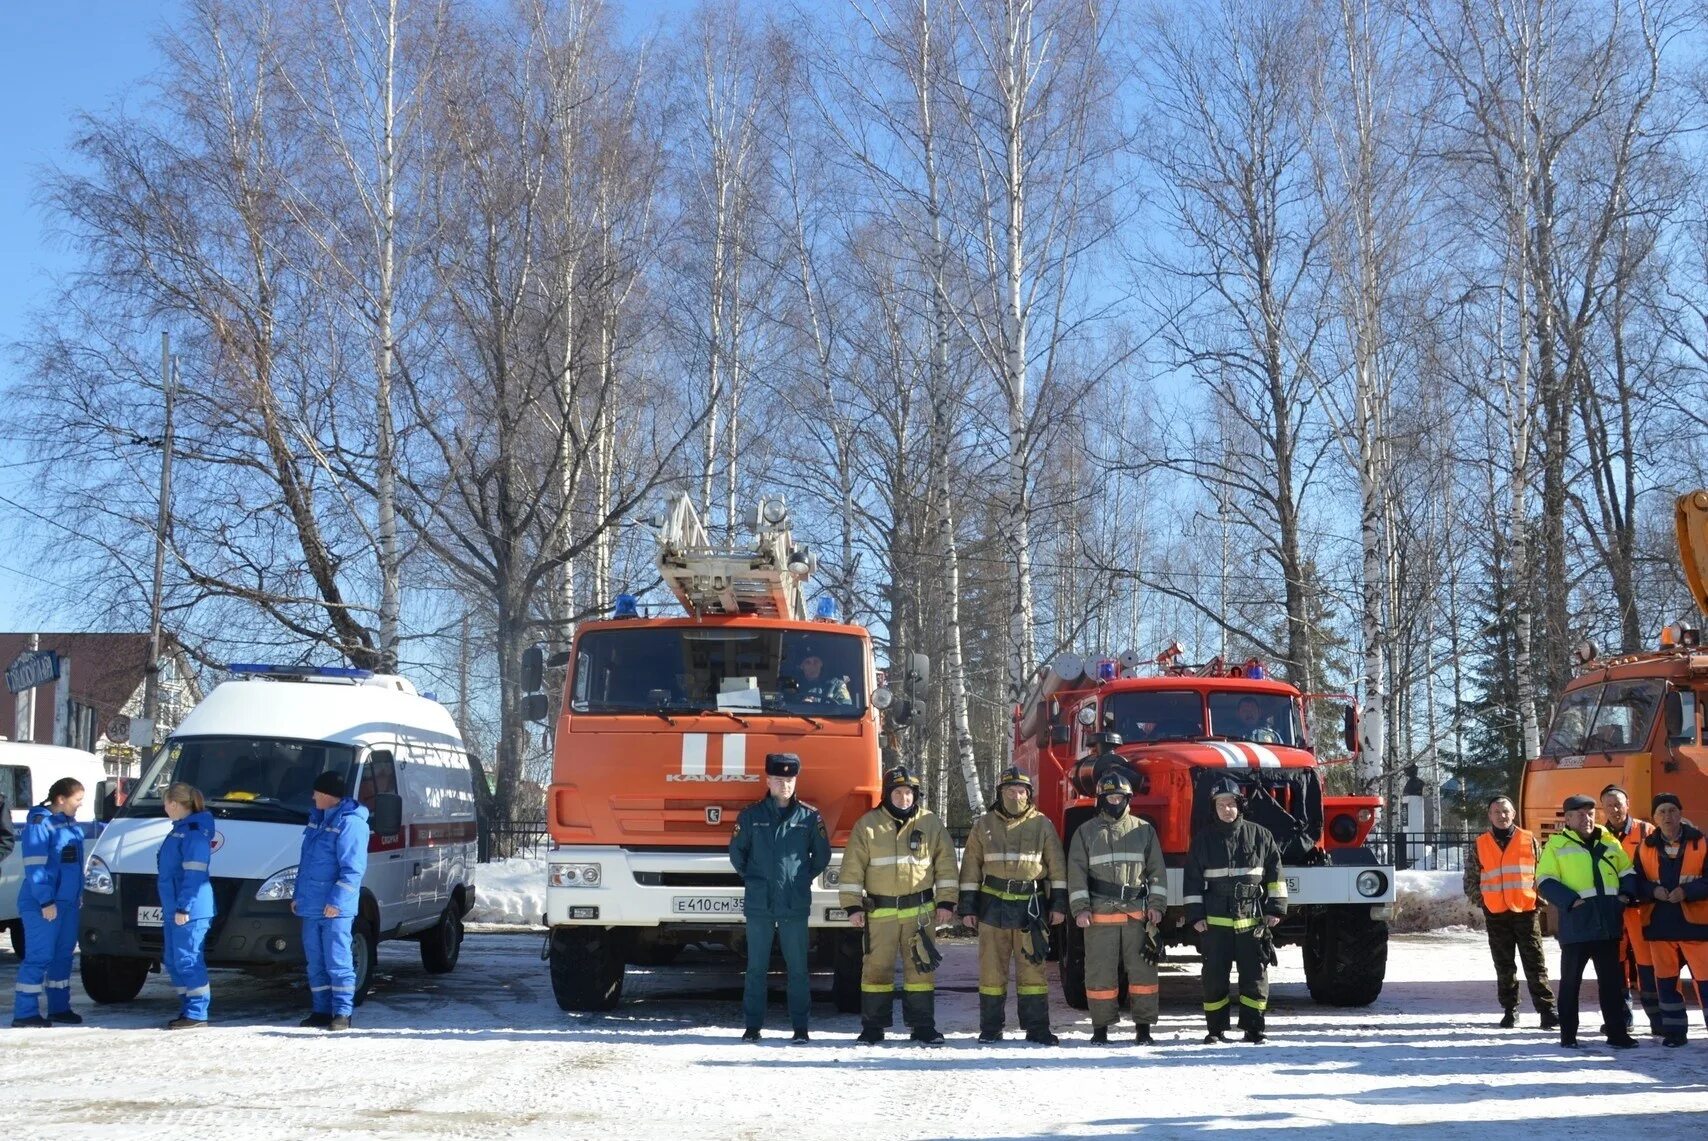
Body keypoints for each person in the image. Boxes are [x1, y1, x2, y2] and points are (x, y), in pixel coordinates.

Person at [840, 764, 958, 1045]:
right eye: (898, 793)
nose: (904, 798)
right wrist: (852, 906)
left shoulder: (931, 823)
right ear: (887, 794)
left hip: (920, 914)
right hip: (879, 914)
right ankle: (873, 1028)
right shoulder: (867, 825)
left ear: (915, 795)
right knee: (875, 970)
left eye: (909, 793)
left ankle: (922, 1027)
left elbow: (946, 866)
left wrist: (947, 902)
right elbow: (852, 869)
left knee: (921, 971)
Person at [958, 765, 1068, 1045]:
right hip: (992, 907)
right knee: (991, 971)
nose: (1016, 796)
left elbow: (1057, 868)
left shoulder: (1042, 824)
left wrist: (1057, 905)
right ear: (1000, 793)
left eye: (1021, 791)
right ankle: (991, 1029)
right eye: (1010, 791)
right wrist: (968, 907)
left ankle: (1037, 1029)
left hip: (1031, 910)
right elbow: (971, 867)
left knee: (1033, 970)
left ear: (1029, 794)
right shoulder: (983, 825)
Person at [730, 753, 830, 1043]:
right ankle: (752, 1027)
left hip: (793, 903)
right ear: (767, 781)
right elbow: (737, 854)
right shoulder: (751, 817)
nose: (784, 785)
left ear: (795, 781)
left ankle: (800, 1028)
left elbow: (821, 856)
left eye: (789, 780)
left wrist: (800, 879)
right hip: (760, 904)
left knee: (798, 969)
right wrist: (753, 879)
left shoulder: (810, 817)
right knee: (756, 968)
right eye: (778, 779)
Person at [1183, 778, 1286, 1044]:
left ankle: (1254, 1029)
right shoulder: (1203, 840)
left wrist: (1275, 908)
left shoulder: (1261, 836)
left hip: (1252, 922)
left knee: (1255, 977)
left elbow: (1275, 876)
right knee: (1214, 978)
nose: (1226, 809)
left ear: (1239, 805)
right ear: (1213, 808)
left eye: (1230, 804)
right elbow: (1192, 880)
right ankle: (1216, 1031)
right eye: (1220, 804)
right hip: (1215, 924)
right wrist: (1195, 915)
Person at [1068, 771, 1167, 1044]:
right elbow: (1075, 874)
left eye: (1119, 797)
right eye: (1110, 797)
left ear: (1128, 799)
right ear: (1101, 799)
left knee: (1143, 973)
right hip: (1099, 915)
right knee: (1100, 973)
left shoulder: (1143, 830)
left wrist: (1157, 906)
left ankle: (1143, 1029)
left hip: (1137, 915)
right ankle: (1100, 1029)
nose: (1115, 801)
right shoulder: (1085, 832)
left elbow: (1157, 872)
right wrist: (1081, 908)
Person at [1534, 793, 1639, 1049]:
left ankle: (1617, 1034)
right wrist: (1571, 901)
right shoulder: (1557, 845)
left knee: (1611, 985)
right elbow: (1544, 881)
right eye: (1580, 814)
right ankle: (1568, 1036)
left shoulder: (1609, 841)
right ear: (1568, 818)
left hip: (1607, 925)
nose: (1587, 818)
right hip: (1577, 927)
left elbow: (1628, 871)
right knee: (1571, 985)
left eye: (1590, 814)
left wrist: (1625, 895)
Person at [1463, 795, 1558, 1029]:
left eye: (1506, 811)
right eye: (1497, 812)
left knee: (1535, 963)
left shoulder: (1528, 839)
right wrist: (1483, 902)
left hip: (1526, 911)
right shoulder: (1480, 844)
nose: (1502, 816)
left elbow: (1543, 872)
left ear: (1513, 814)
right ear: (1490, 815)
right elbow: (1471, 880)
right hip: (1496, 913)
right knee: (1504, 965)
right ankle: (1510, 1010)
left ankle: (1547, 1011)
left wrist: (1539, 899)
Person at [293, 770, 370, 1031]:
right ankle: (321, 1010)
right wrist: (298, 896)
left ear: (326, 795)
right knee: (315, 961)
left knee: (337, 960)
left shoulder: (351, 823)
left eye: (316, 792)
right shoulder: (317, 819)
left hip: (335, 908)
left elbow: (352, 869)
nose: (313, 796)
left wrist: (336, 900)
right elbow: (306, 864)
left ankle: (342, 1013)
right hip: (312, 904)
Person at [1630, 793, 1708, 1047]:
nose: (1667, 816)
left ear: (1680, 813)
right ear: (1654, 817)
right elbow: (1637, 881)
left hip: (1697, 926)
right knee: (1666, 982)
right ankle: (1674, 1033)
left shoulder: (1702, 842)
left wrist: (1687, 891)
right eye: (1661, 811)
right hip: (1659, 925)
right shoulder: (1645, 847)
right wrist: (1653, 891)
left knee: (1706, 982)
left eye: (1672, 810)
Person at [10, 777, 86, 1028]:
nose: (79, 805)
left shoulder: (70, 824)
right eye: (77, 800)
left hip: (67, 903)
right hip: (43, 903)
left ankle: (59, 1007)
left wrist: (78, 895)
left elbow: (74, 866)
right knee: (39, 956)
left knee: (63, 956)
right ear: (61, 799)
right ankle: (25, 1012)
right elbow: (36, 867)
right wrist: (46, 900)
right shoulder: (40, 823)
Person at [157, 782, 216, 1029]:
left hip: (190, 909)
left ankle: (197, 1012)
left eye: (165, 804)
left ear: (173, 803)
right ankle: (187, 1007)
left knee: (187, 959)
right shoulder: (180, 830)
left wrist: (184, 907)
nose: (165, 809)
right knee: (173, 959)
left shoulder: (193, 832)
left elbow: (194, 875)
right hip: (176, 906)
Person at [1601, 784, 1658, 1036]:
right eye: (1609, 805)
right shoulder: (1599, 835)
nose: (1614, 810)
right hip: (1613, 911)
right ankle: (1623, 1017)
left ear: (1628, 804)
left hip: (1642, 909)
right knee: (1617, 964)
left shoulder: (1647, 831)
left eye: (1618, 804)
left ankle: (1658, 1019)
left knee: (1647, 963)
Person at [789, 641, 852, 706]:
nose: (812, 666)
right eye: (808, 662)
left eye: (816, 661)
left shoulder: (835, 685)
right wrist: (802, 706)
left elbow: (847, 707)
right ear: (801, 666)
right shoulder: (791, 686)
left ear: (821, 664)